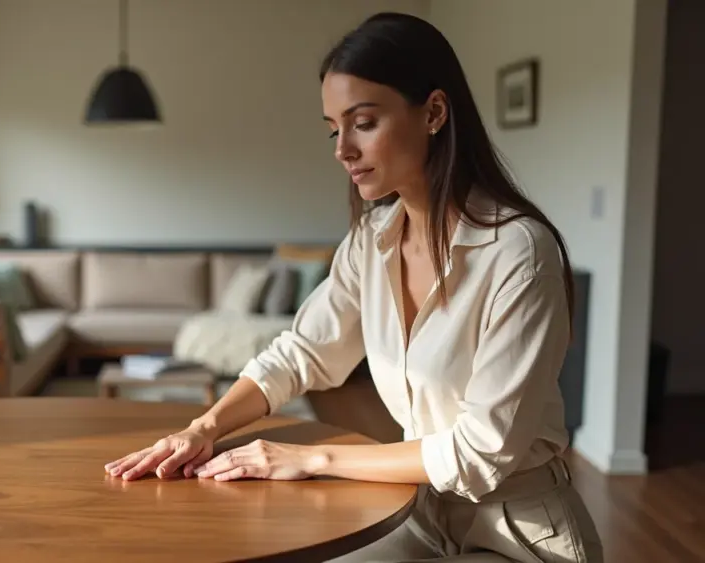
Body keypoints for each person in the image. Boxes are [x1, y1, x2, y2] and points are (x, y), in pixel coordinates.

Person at [104, 11, 602, 562]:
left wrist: (312, 460)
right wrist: (202, 428)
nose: (342, 149)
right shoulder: (373, 238)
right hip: (421, 512)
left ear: (434, 112)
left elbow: (478, 454)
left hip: (518, 532)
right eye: (333, 128)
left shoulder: (519, 253)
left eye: (363, 122)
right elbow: (302, 353)